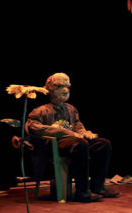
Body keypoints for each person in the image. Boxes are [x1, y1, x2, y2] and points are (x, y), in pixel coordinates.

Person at [26, 72, 118, 202]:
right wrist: (60, 131)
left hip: (75, 142)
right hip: (53, 146)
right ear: (49, 89)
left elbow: (77, 126)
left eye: (67, 87)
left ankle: (98, 186)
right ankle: (82, 191)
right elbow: (33, 128)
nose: (65, 90)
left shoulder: (71, 109)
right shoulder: (40, 111)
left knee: (103, 144)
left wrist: (84, 132)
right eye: (59, 87)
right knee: (81, 144)